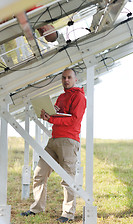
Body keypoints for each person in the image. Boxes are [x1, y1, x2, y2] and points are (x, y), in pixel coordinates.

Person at [21, 68, 86, 223]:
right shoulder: (61, 97)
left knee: (67, 178)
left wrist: (51, 119)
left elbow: (74, 120)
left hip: (69, 141)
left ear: (75, 79)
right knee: (39, 173)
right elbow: (58, 116)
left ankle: (67, 214)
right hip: (54, 139)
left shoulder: (79, 97)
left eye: (69, 77)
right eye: (64, 78)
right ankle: (37, 208)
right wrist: (50, 113)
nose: (66, 80)